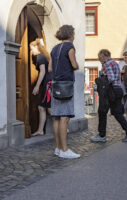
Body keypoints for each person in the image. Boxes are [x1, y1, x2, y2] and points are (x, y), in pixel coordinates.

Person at [90, 49, 127, 143]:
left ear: (103, 55)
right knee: (117, 113)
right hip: (118, 89)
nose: (98, 58)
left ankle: (102, 136)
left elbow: (110, 78)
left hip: (110, 90)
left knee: (102, 112)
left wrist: (101, 80)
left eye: (99, 56)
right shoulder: (114, 63)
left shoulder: (106, 64)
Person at [49, 25, 80, 159]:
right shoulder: (70, 47)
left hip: (55, 84)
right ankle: (65, 150)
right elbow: (74, 65)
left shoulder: (54, 49)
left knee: (56, 117)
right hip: (66, 85)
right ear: (70, 34)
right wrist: (75, 65)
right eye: (73, 33)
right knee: (65, 117)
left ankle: (58, 148)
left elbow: (50, 68)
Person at [30, 38, 52, 137]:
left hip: (48, 85)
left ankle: (63, 126)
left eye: (31, 49)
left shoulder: (40, 57)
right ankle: (40, 130)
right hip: (49, 84)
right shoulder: (44, 56)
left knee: (49, 108)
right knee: (42, 107)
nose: (31, 51)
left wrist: (37, 86)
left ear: (36, 47)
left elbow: (42, 71)